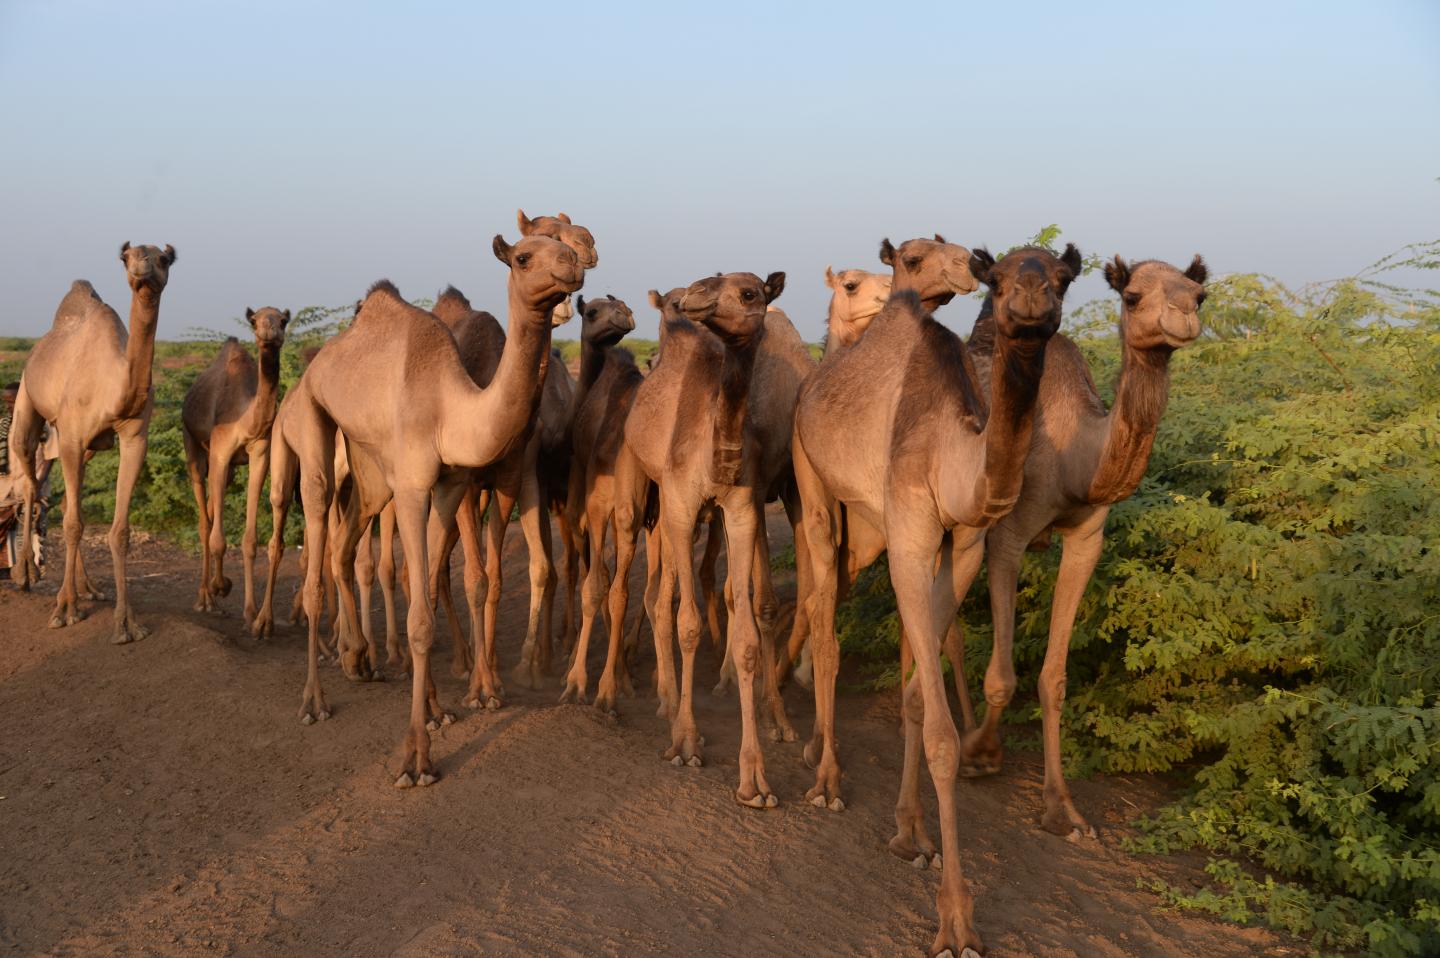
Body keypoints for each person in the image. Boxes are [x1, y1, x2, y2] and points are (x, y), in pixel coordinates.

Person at [0, 381, 56, 578]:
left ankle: (30, 572)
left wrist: (38, 483)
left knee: (32, 529)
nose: (9, 406)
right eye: (6, 402)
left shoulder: (44, 425)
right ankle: (7, 569)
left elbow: (50, 456)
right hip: (5, 485)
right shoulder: (3, 425)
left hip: (33, 482)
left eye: (13, 401)